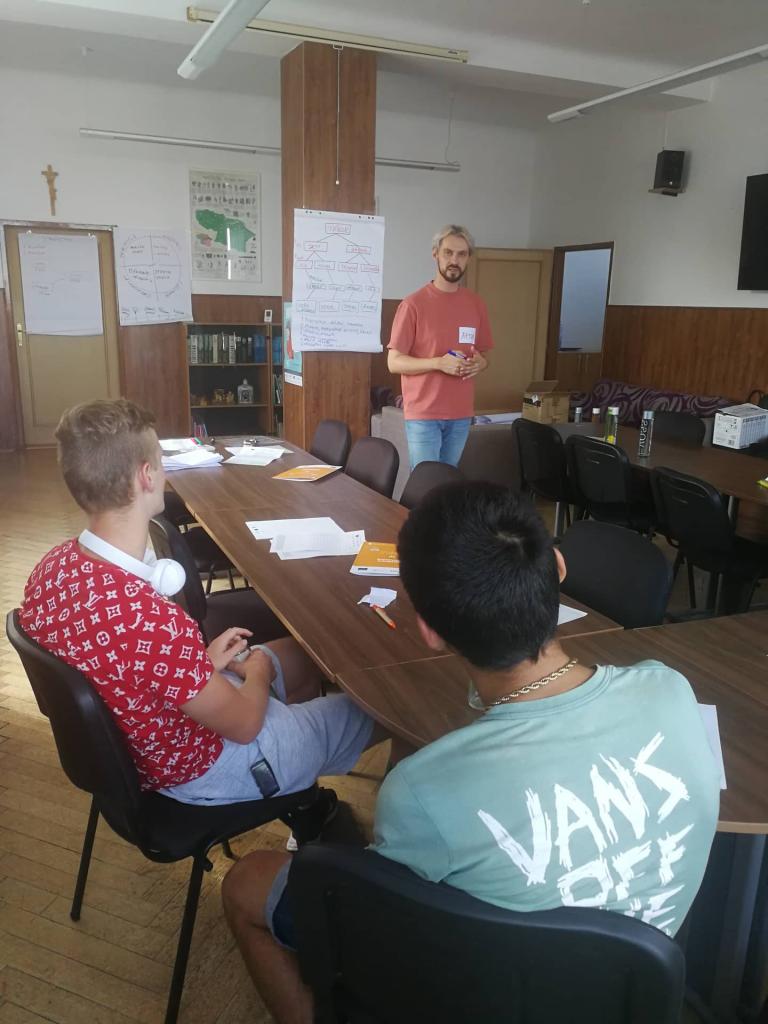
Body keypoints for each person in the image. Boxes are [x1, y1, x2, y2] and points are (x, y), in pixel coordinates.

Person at [221, 483, 720, 1024]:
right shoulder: (671, 690)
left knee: (246, 883)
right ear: (557, 568)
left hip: (483, 992)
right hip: (622, 994)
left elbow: (389, 922)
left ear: (430, 633)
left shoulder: (420, 790)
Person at [19, 399, 376, 818]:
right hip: (211, 769)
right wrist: (258, 671)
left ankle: (309, 812)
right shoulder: (151, 619)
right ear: (146, 476)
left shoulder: (50, 569)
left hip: (146, 743)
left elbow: (121, 665)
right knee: (377, 705)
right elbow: (245, 725)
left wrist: (198, 662)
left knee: (303, 655)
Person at [387, 224, 493, 469]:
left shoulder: (476, 304)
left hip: (461, 413)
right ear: (435, 254)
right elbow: (394, 362)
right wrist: (438, 363)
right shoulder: (413, 304)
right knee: (426, 482)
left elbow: (485, 354)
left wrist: (481, 363)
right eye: (448, 253)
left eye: (461, 254)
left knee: (447, 482)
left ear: (468, 258)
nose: (454, 260)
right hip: (424, 414)